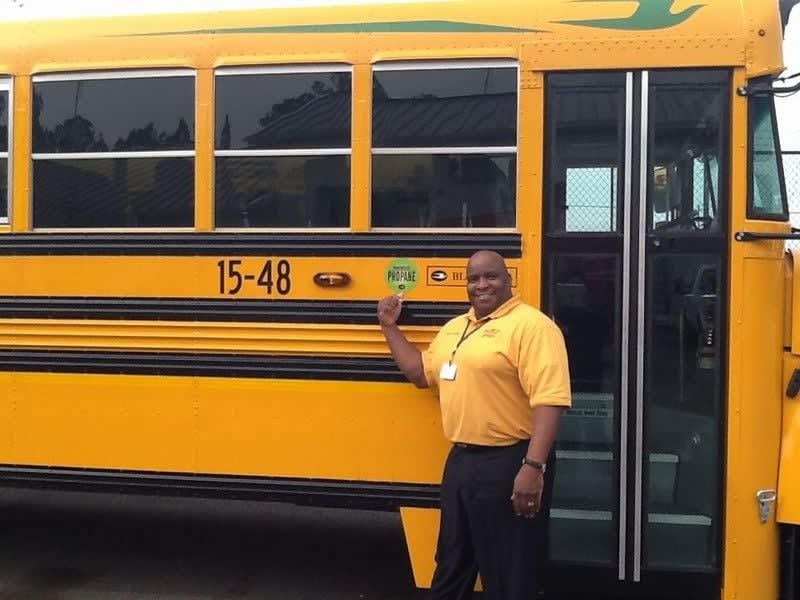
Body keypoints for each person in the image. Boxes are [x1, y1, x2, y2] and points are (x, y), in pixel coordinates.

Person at [377, 250, 571, 600]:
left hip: (510, 461)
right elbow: (421, 373)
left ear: (508, 279)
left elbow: (550, 400)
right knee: (452, 563)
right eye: (474, 278)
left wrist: (533, 467)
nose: (482, 285)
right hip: (462, 462)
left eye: (491, 276)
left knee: (511, 571)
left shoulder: (533, 327)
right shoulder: (456, 328)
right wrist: (389, 327)